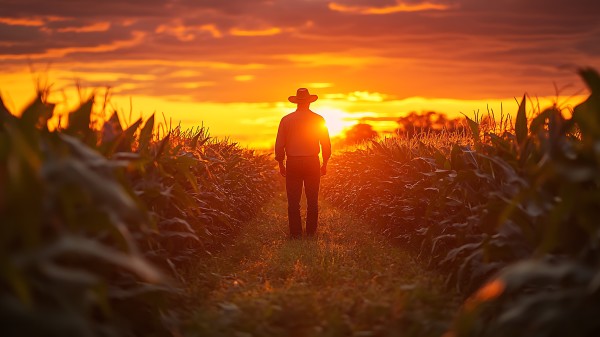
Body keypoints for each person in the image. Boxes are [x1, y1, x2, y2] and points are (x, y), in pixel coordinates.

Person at [275, 88, 332, 239]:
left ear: (296, 102)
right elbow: (326, 143)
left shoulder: (286, 120)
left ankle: (295, 234)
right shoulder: (318, 119)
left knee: (293, 201)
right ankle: (311, 233)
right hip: (312, 161)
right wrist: (325, 163)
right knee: (312, 199)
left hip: (293, 162)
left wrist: (281, 163)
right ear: (309, 102)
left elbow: (280, 144)